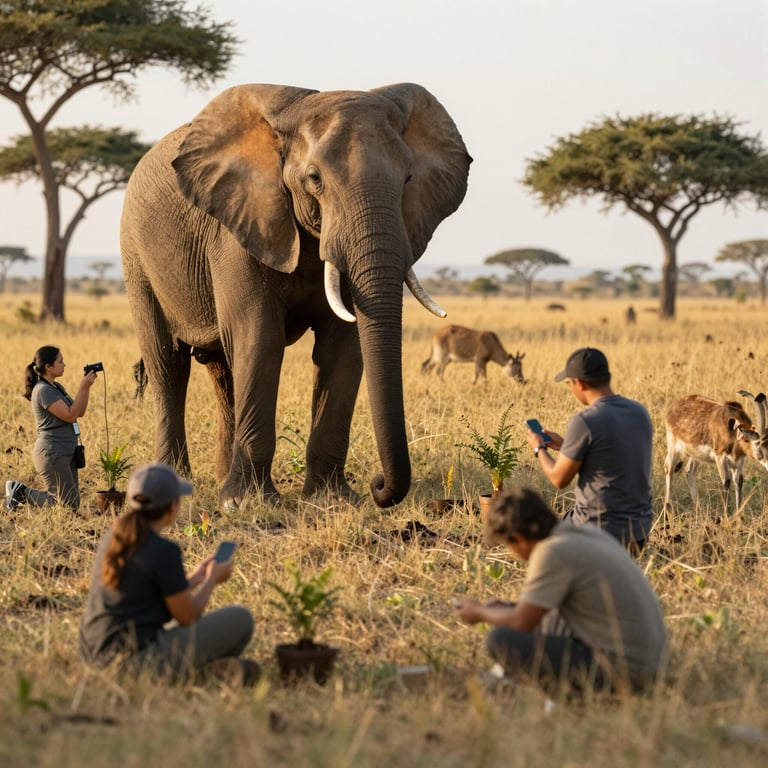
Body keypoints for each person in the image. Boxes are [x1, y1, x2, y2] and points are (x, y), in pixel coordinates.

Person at [454, 487, 668, 694]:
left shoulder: (551, 551)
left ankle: (528, 684)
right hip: (651, 665)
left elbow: (522, 622)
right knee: (551, 621)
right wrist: (509, 608)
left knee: (500, 640)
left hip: (625, 674)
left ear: (519, 538)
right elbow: (547, 611)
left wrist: (480, 612)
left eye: (509, 546)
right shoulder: (582, 532)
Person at [79, 463, 258, 684]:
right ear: (172, 506)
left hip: (94, 656)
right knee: (240, 619)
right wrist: (212, 578)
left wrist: (194, 578)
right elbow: (187, 616)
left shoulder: (114, 538)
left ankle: (208, 673)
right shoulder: (163, 550)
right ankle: (198, 674)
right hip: (131, 665)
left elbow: (143, 597)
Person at [526, 347, 653, 552]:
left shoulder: (585, 422)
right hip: (638, 531)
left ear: (580, 383)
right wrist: (568, 444)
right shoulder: (640, 412)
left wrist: (539, 448)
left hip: (598, 532)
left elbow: (558, 479)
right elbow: (611, 453)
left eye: (569, 383)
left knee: (541, 546)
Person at [6, 345, 98, 512]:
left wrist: (86, 388)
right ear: (48, 367)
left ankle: (21, 493)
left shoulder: (57, 388)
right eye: (60, 361)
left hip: (66, 450)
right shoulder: (42, 391)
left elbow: (79, 412)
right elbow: (70, 415)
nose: (64, 365)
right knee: (68, 505)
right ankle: (21, 492)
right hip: (53, 452)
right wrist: (83, 387)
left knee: (71, 504)